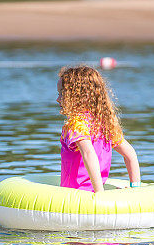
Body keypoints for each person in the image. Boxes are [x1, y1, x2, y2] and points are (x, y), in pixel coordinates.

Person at [57, 65, 141, 194]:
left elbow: (89, 154)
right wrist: (135, 188)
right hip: (94, 191)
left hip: (76, 195)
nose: (58, 99)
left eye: (62, 94)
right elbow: (130, 154)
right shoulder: (104, 123)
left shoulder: (77, 124)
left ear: (76, 96)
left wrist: (99, 193)